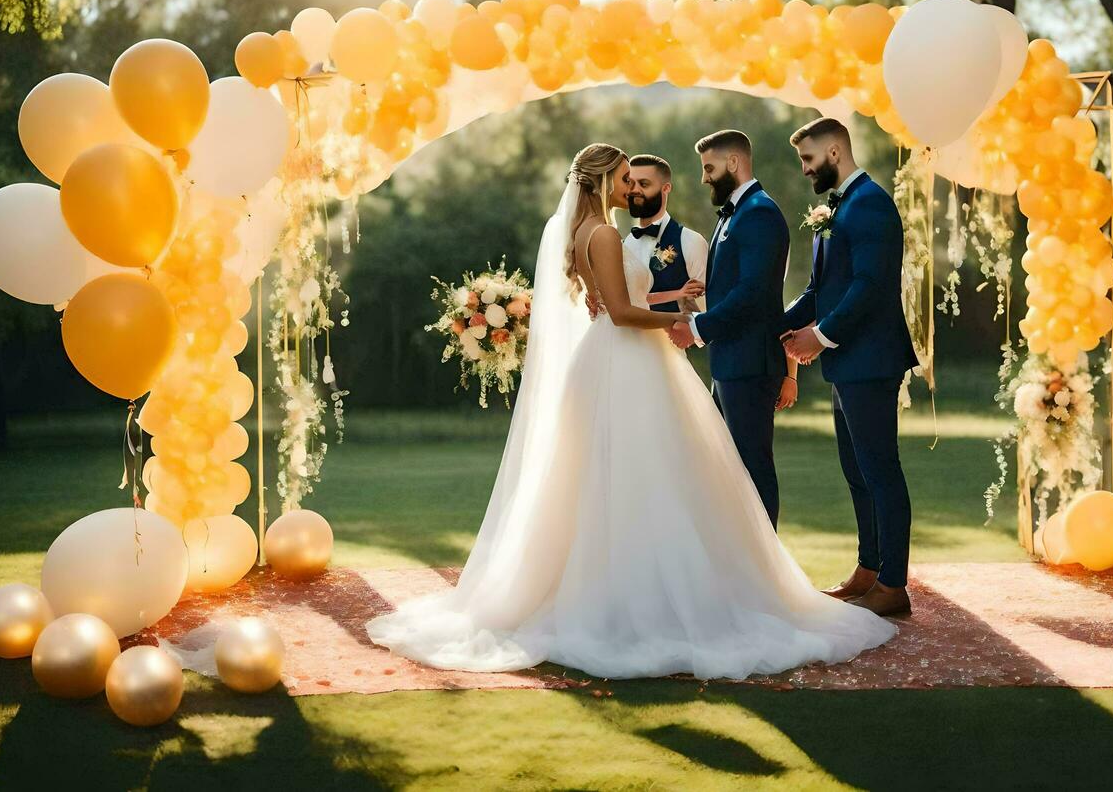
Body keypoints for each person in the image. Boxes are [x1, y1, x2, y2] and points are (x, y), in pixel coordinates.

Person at [366, 143, 895, 679]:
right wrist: (678, 324)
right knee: (649, 474)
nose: (630, 186)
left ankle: (625, 586)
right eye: (622, 178)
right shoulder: (603, 233)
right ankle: (653, 597)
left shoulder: (586, 231)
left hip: (614, 359)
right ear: (602, 182)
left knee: (625, 477)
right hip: (626, 362)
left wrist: (671, 305)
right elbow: (620, 313)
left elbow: (611, 304)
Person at [782, 117, 919, 618]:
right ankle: (868, 566)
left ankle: (894, 583)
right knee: (855, 469)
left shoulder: (873, 205)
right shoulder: (836, 208)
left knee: (880, 469)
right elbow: (821, 290)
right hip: (846, 362)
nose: (804, 169)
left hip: (872, 360)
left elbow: (868, 288)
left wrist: (816, 337)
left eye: (808, 159)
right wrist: (775, 325)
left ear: (835, 151)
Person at [667, 130, 797, 526]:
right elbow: (736, 288)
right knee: (728, 470)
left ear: (734, 163)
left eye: (709, 167)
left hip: (751, 363)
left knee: (753, 470)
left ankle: (764, 576)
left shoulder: (759, 212)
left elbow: (754, 294)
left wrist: (698, 327)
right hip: (731, 363)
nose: (704, 177)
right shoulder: (736, 213)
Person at [623, 154, 707, 314]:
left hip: (677, 338)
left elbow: (706, 306)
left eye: (644, 184)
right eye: (630, 183)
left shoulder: (690, 241)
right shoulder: (625, 244)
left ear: (666, 188)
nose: (634, 190)